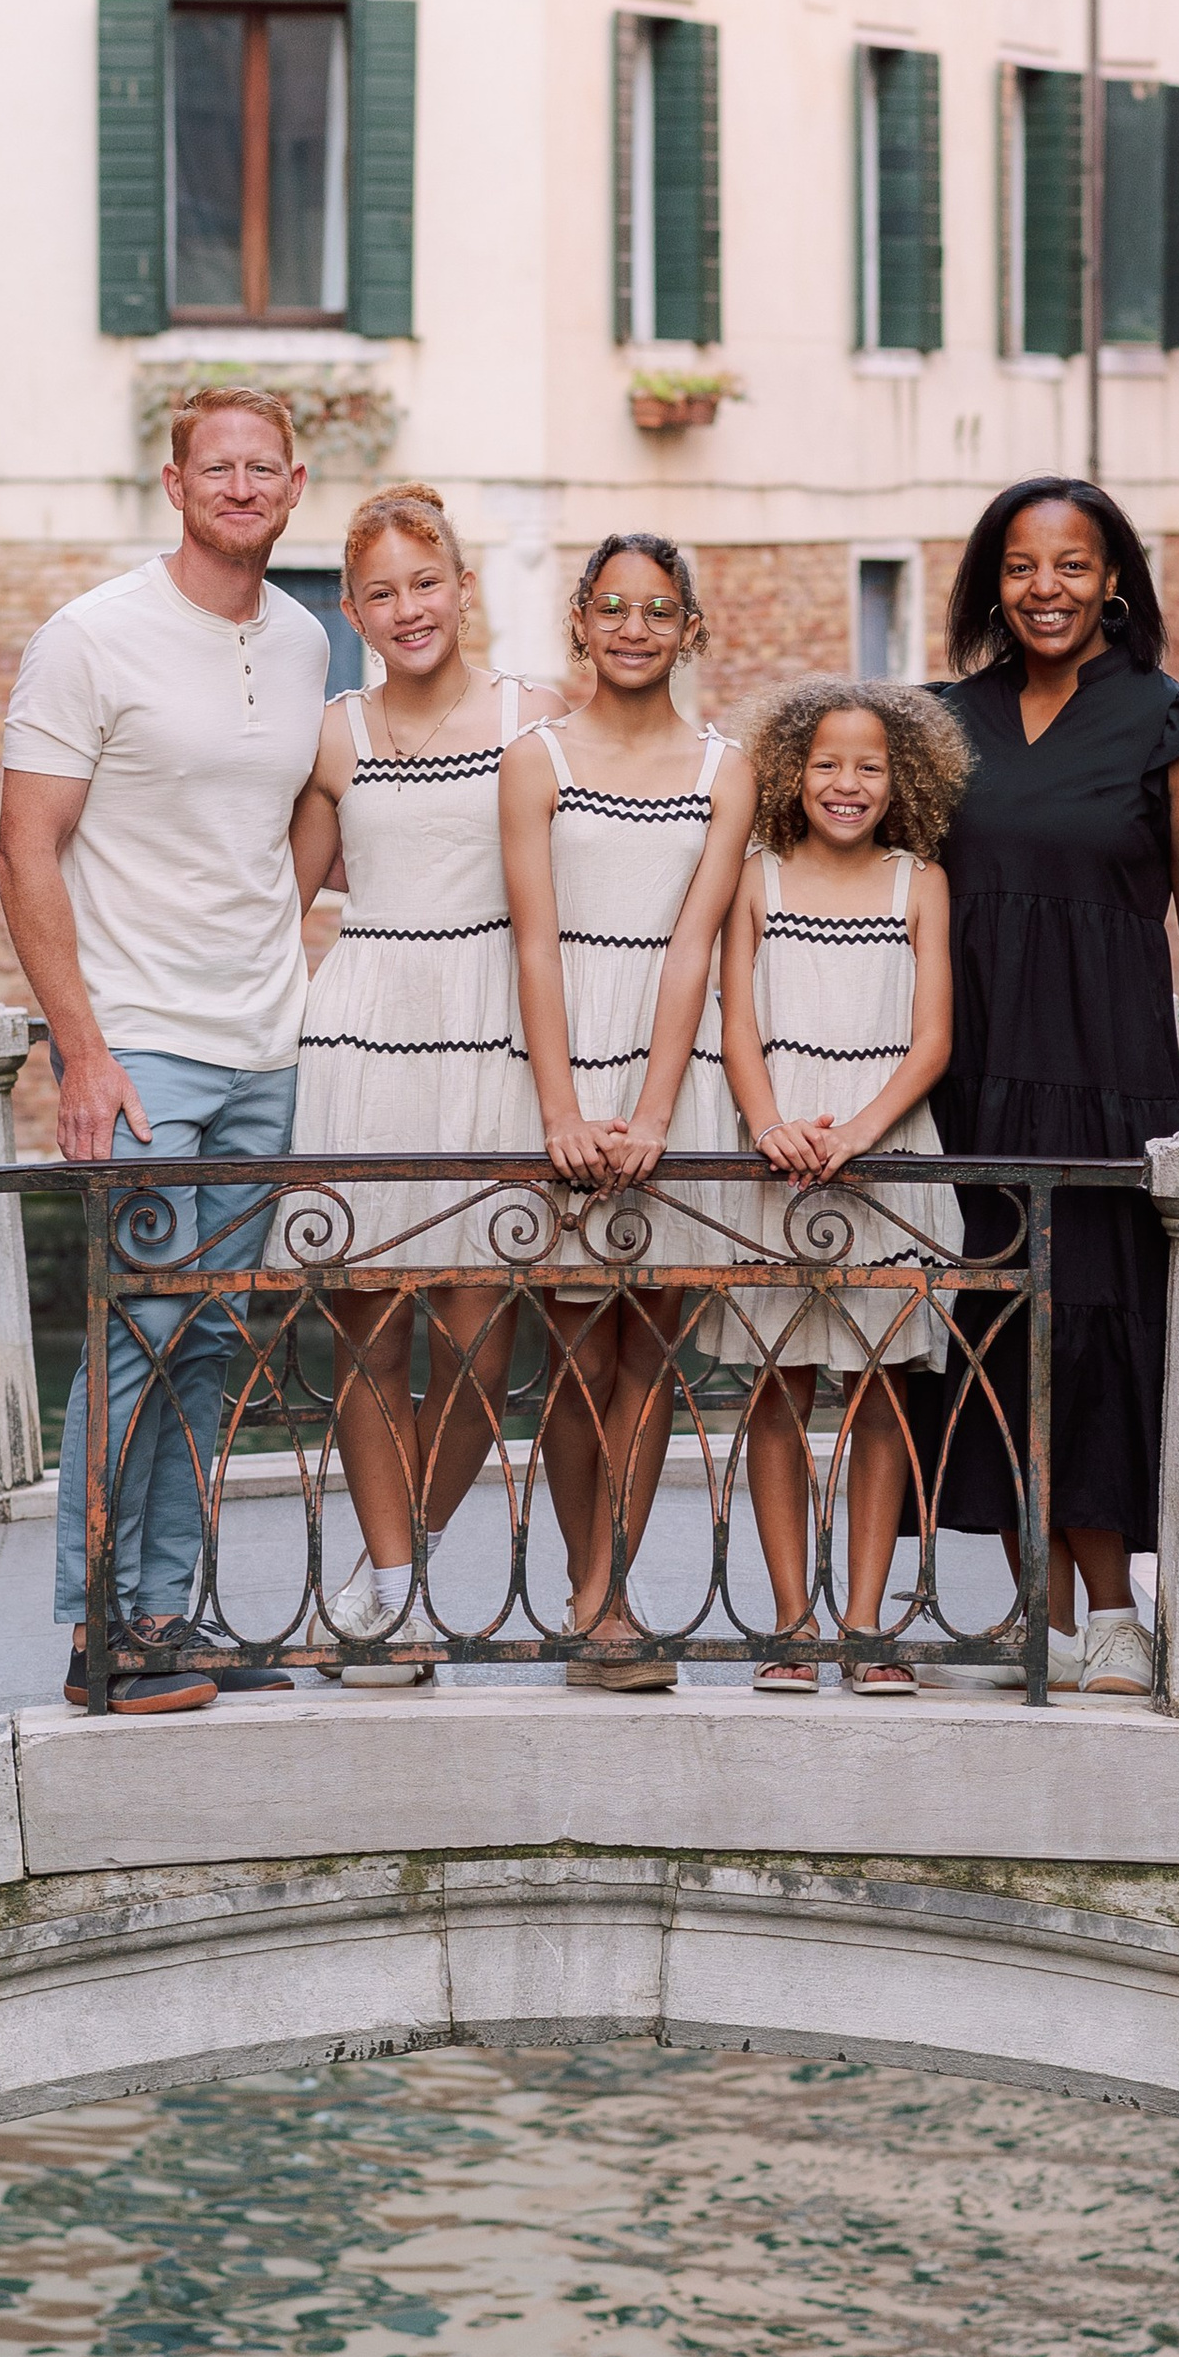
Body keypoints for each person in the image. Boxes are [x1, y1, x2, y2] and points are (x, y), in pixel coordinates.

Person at [933, 476, 1179, 1697]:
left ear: (1114, 582)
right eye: (1024, 566)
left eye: (1073, 565)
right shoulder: (940, 724)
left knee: (1090, 1322)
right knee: (984, 1326)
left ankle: (1111, 1612)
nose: (1047, 588)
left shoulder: (1173, 726)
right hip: (968, 1079)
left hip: (1102, 1069)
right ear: (994, 580)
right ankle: (1029, 1611)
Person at [0, 385, 332, 1713]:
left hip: (266, 1047)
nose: (243, 487)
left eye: (266, 469)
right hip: (141, 1052)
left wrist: (279, 941)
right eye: (219, 468)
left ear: (296, 486)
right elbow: (26, 851)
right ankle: (97, 1636)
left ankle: (167, 1613)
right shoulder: (90, 638)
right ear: (176, 483)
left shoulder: (309, 641)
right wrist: (83, 1054)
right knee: (136, 1333)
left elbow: (300, 817)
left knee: (213, 1344)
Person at [291, 485, 566, 1669]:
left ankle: (410, 1543)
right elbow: (275, 910)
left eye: (426, 582)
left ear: (463, 586)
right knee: (366, 1326)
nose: (409, 608)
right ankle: (391, 1585)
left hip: (495, 1028)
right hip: (362, 1031)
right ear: (354, 610)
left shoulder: (536, 715)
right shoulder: (335, 732)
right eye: (382, 592)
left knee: (479, 1337)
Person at [498, 532, 753, 1686]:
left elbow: (696, 944)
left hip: (675, 1069)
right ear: (582, 624)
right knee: (567, 1351)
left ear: (689, 628)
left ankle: (608, 1596)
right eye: (614, 607)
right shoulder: (534, 758)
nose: (636, 627)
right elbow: (534, 940)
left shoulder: (725, 767)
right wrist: (563, 1108)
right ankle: (586, 1592)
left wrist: (653, 1110)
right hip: (555, 1057)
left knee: (650, 1347)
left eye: (658, 609)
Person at [717, 679, 969, 1697]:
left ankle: (865, 1622)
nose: (847, 782)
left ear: (899, 776)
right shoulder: (755, 878)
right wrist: (770, 1120)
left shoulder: (922, 883)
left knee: (879, 1397)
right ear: (793, 771)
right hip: (775, 1162)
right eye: (827, 762)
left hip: (891, 1162)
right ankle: (791, 1620)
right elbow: (734, 1023)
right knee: (775, 1393)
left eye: (868, 765)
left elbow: (935, 1037)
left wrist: (865, 1130)